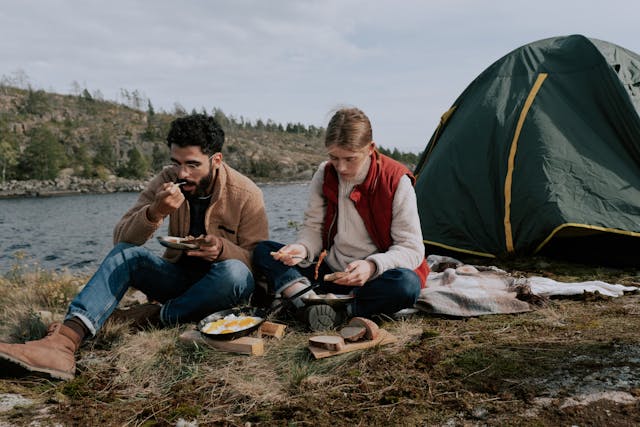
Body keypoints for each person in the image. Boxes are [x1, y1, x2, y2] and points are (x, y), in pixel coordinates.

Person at [0, 114, 269, 380]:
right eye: (176, 163)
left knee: (233, 271)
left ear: (216, 160)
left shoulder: (246, 194)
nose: (182, 173)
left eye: (192, 164)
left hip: (223, 289)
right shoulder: (167, 179)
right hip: (178, 280)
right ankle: (62, 344)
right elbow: (122, 238)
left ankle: (153, 317)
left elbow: (258, 264)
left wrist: (222, 249)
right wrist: (155, 212)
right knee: (126, 255)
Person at [252, 107, 429, 331]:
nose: (341, 167)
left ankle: (332, 309)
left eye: (350, 159)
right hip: (332, 272)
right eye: (334, 158)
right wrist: (302, 249)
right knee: (263, 250)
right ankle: (311, 303)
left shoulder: (395, 179)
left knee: (406, 285)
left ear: (370, 148)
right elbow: (313, 228)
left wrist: (372, 266)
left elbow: (411, 249)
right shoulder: (324, 173)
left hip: (373, 278)